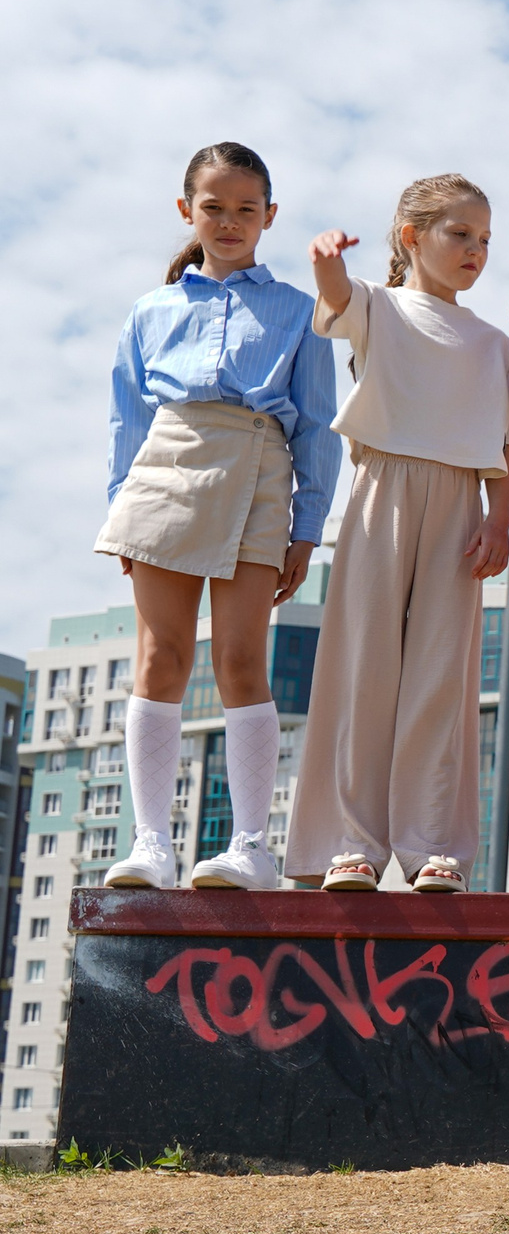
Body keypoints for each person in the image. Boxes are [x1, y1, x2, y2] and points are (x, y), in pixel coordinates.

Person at [102, 143, 339, 893]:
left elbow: (317, 425)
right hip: (164, 472)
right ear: (187, 210)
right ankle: (150, 842)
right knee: (160, 659)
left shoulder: (300, 311)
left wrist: (307, 527)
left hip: (259, 470)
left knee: (241, 661)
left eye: (246, 209)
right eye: (214, 206)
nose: (230, 221)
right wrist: (123, 511)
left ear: (270, 216)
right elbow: (127, 419)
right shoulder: (150, 310)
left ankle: (249, 846)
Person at [283, 178, 509, 893]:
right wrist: (325, 255)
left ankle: (430, 845)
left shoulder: (491, 342)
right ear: (410, 236)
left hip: (461, 505)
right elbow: (334, 299)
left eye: (485, 240)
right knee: (364, 669)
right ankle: (349, 843)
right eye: (460, 234)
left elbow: (506, 443)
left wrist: (499, 518)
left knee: (441, 677)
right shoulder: (380, 306)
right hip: (381, 492)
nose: (476, 251)